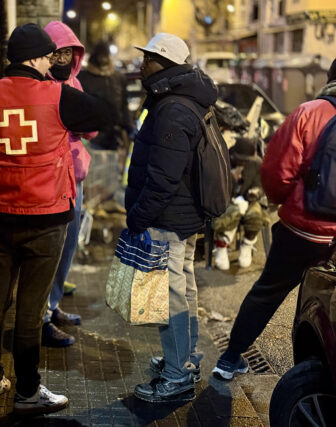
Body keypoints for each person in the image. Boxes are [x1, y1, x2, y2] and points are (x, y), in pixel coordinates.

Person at [0, 23, 111, 415]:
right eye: (49, 57)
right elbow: (103, 114)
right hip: (45, 217)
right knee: (30, 311)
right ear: (35, 58)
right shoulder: (57, 95)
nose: (53, 63)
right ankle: (28, 391)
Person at [212, 59, 336, 380]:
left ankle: (229, 360)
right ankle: (316, 377)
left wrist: (284, 201)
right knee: (327, 308)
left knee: (267, 293)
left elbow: (276, 172)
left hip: (301, 230)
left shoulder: (309, 113)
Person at [125, 33, 218, 402]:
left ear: (164, 64)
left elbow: (163, 177)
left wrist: (138, 217)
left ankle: (177, 375)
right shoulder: (179, 97)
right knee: (183, 288)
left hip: (169, 216)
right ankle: (185, 359)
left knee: (171, 295)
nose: (141, 64)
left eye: (148, 58)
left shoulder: (172, 108)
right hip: (183, 213)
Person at [41, 20, 95, 347]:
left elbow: (90, 127)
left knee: (69, 246)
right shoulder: (39, 85)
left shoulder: (75, 82)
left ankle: (53, 303)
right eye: (57, 52)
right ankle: (43, 316)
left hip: (76, 176)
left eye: (68, 53)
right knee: (52, 247)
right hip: (52, 178)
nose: (62, 59)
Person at [212, 136, 266, 270]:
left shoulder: (256, 163)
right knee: (232, 212)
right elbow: (216, 190)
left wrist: (256, 192)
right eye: (243, 160)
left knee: (256, 215)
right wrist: (232, 178)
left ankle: (247, 244)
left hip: (248, 199)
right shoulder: (223, 160)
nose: (245, 163)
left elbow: (260, 186)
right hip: (226, 201)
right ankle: (221, 245)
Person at [78, 40, 134, 151]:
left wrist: (129, 128)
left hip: (114, 137)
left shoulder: (118, 78)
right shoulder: (82, 78)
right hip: (91, 138)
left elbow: (124, 106)